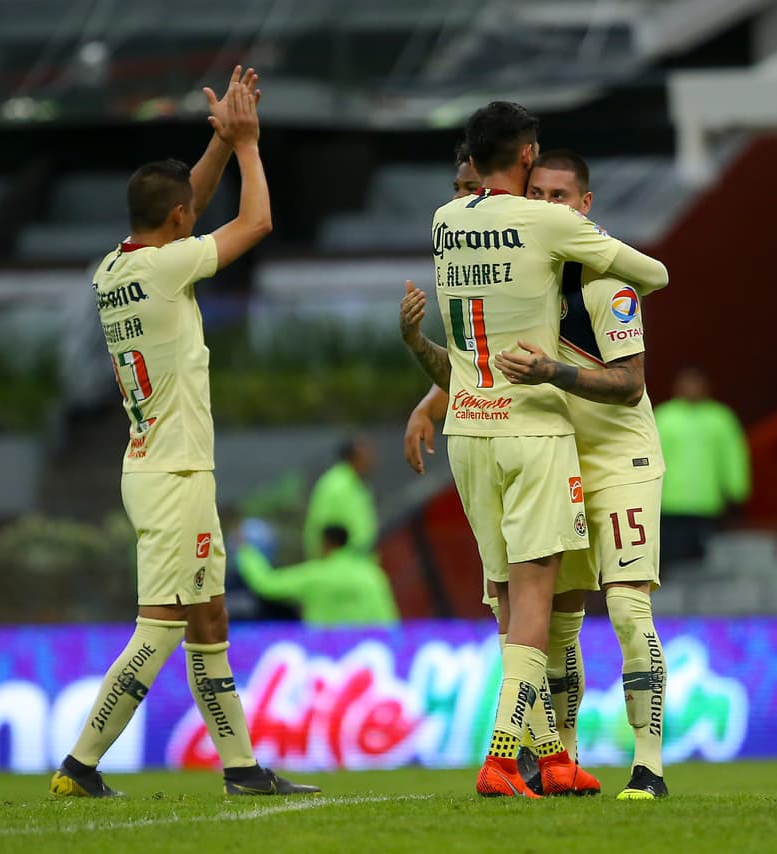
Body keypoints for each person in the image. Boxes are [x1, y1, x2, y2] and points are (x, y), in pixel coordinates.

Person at [50, 67, 317, 798]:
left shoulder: (114, 268)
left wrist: (219, 143)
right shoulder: (171, 268)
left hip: (154, 464)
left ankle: (241, 770)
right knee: (163, 624)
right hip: (174, 474)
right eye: (186, 216)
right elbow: (255, 223)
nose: (191, 218)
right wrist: (250, 147)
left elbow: (182, 202)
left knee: (208, 615)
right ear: (175, 224)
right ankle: (79, 765)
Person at [402, 101, 668, 798]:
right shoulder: (546, 236)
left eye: (561, 197)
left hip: (540, 441)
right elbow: (655, 274)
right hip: (541, 439)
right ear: (526, 162)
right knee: (538, 608)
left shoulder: (450, 223)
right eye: (540, 185)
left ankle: (604, 761)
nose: (547, 200)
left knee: (567, 603)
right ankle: (529, 757)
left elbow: (628, 381)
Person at [653, 368, 751, 566]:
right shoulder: (663, 416)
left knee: (703, 563)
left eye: (696, 383)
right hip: (671, 502)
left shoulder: (721, 418)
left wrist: (737, 489)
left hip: (707, 503)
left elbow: (732, 455)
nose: (692, 388)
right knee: (672, 559)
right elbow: (650, 457)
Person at [236, 526, 399, 626]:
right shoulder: (372, 574)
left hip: (327, 658)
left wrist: (246, 551)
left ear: (326, 543)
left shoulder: (316, 575)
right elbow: (389, 620)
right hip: (369, 657)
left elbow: (267, 584)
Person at [303, 435, 378, 559]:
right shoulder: (335, 485)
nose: (371, 460)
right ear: (353, 457)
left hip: (358, 564)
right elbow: (322, 529)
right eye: (366, 454)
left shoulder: (358, 484)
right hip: (341, 567)